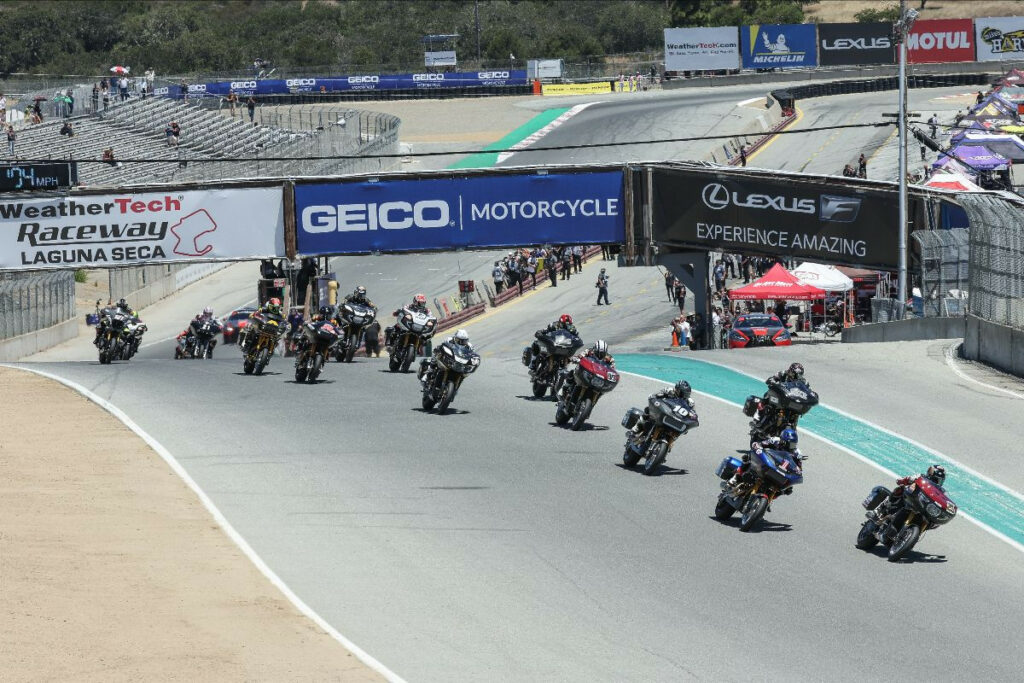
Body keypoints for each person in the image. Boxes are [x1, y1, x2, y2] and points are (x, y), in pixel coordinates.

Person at [727, 426, 803, 489]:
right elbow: (761, 444)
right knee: (748, 457)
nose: (791, 446)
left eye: (793, 444)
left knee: (788, 489)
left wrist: (797, 471)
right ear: (783, 441)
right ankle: (736, 476)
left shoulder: (797, 452)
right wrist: (757, 447)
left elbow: (799, 469)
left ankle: (768, 502)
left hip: (782, 471)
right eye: (790, 444)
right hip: (769, 461)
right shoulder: (775, 440)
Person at [870, 466, 947, 522]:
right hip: (910, 498)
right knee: (900, 489)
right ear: (930, 474)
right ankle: (880, 509)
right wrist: (904, 481)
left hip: (923, 506)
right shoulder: (920, 477)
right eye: (935, 479)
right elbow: (903, 480)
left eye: (938, 481)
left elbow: (944, 500)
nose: (936, 482)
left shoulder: (941, 491)